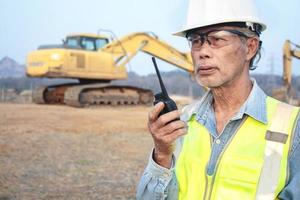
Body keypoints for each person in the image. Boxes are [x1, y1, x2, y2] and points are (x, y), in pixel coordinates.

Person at [136, 0, 300, 199]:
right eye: (196, 41)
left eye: (217, 39)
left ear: (250, 47)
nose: (203, 52)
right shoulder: (182, 122)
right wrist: (161, 155)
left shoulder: (292, 125)